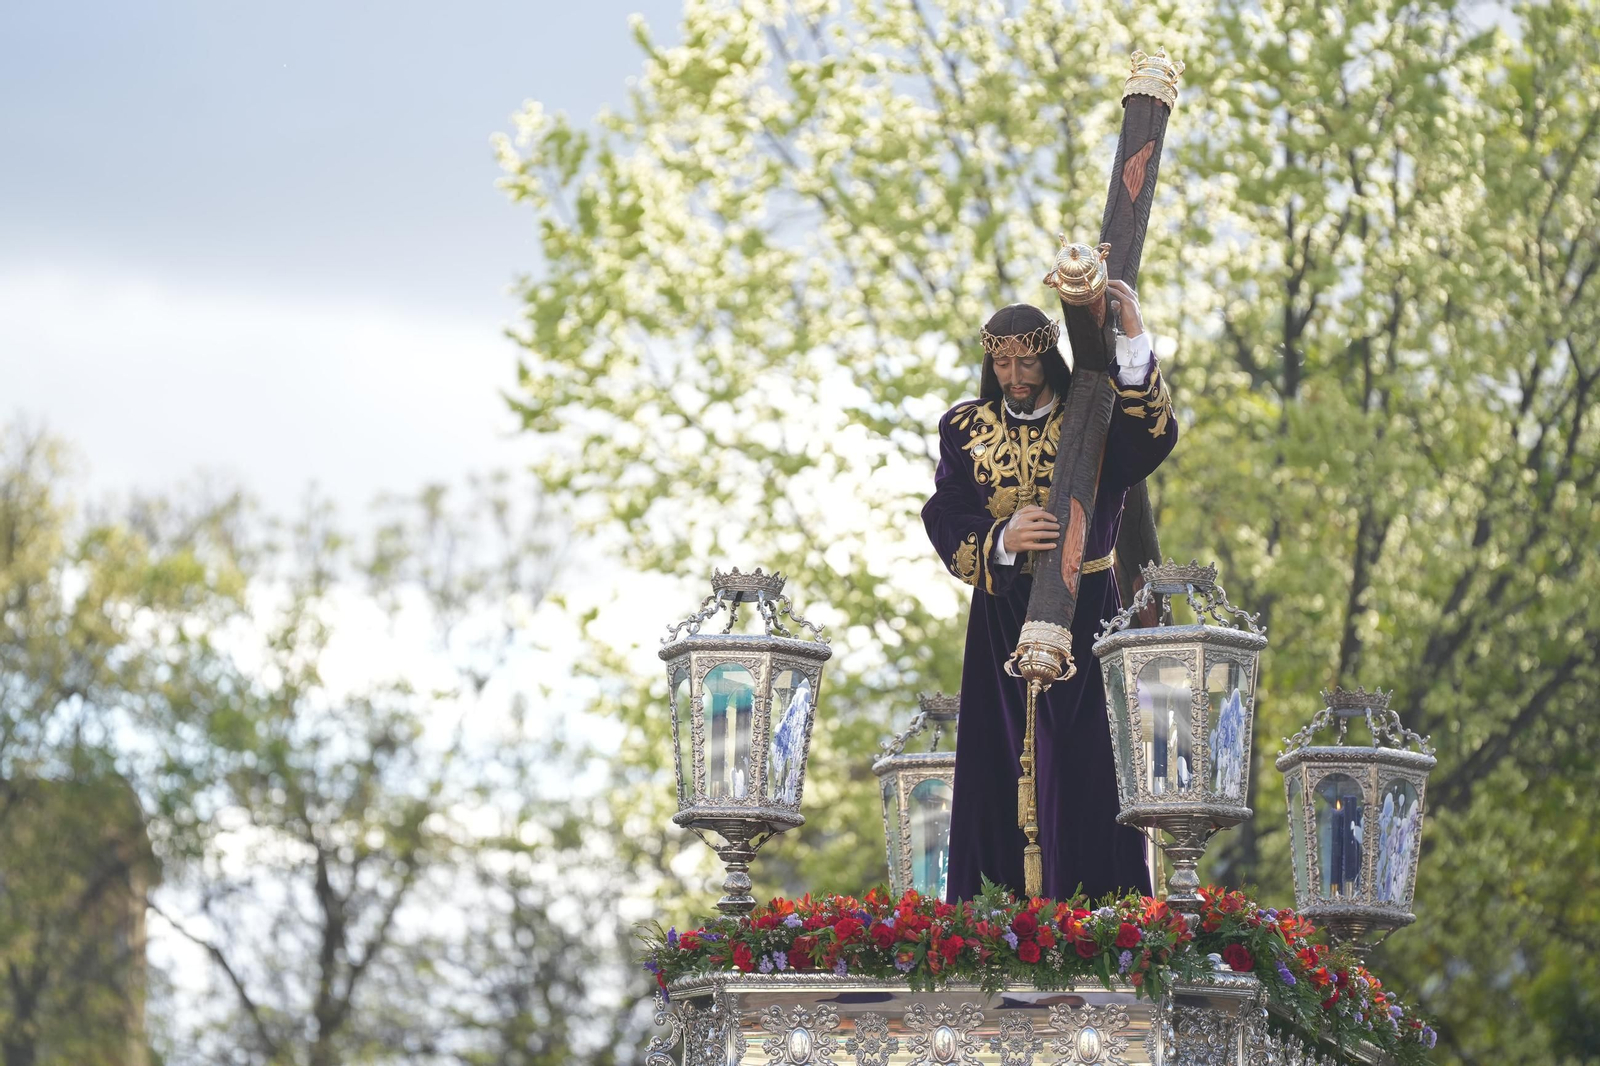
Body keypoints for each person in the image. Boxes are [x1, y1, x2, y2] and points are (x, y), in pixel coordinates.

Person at [921, 280, 1177, 903]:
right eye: (1002, 363)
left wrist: (1134, 336)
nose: (1015, 376)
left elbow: (1153, 438)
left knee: (1087, 766)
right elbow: (946, 510)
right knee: (995, 767)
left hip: (1088, 612)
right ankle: (994, 924)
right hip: (1000, 617)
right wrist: (1003, 537)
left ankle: (1100, 923)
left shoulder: (1091, 414)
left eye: (1027, 361)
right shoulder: (964, 427)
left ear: (1049, 356)